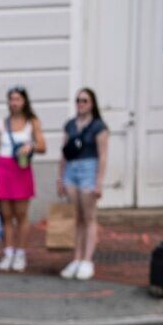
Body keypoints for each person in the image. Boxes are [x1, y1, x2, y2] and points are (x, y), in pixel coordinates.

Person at [0, 86, 44, 272]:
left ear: (24, 101)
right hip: (4, 170)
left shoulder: (32, 122)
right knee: (6, 216)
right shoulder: (1, 123)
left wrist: (31, 146)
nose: (14, 103)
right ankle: (8, 252)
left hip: (21, 170)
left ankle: (21, 253)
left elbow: (43, 146)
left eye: (18, 99)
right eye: (12, 99)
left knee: (21, 215)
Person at [58, 88, 109, 281]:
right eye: (78, 100)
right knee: (77, 217)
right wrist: (60, 178)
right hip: (72, 169)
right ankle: (77, 258)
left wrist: (99, 182)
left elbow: (103, 155)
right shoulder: (70, 125)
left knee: (89, 217)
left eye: (85, 100)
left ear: (92, 103)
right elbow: (63, 152)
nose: (81, 104)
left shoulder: (98, 127)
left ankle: (87, 259)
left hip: (89, 168)